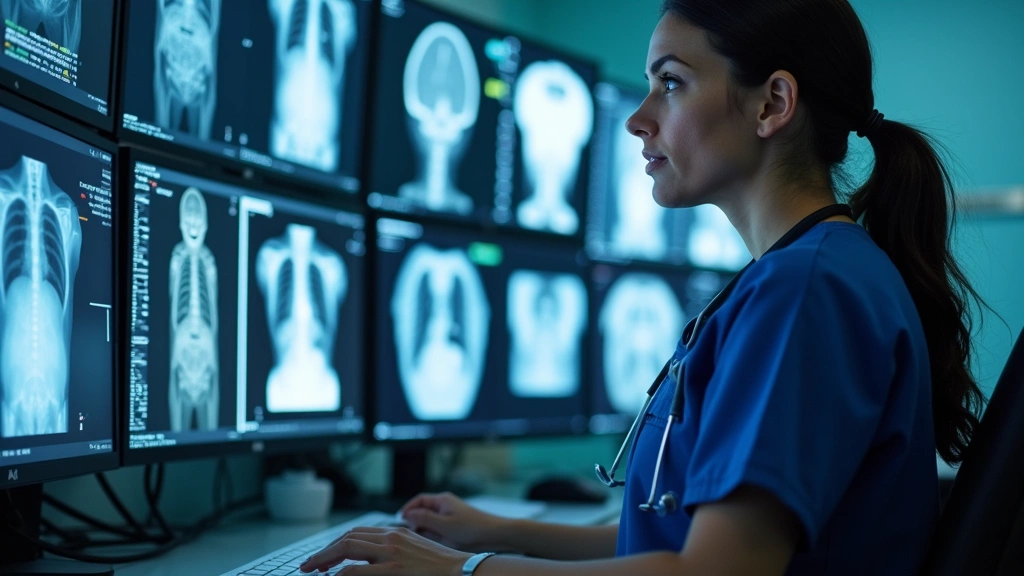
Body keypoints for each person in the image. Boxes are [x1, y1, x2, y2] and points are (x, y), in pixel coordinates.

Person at [300, 0, 984, 574]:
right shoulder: (806, 273)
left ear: (772, 103)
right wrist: (493, 533)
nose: (638, 117)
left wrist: (461, 571)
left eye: (672, 83)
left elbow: (713, 573)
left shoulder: (805, 292)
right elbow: (676, 540)